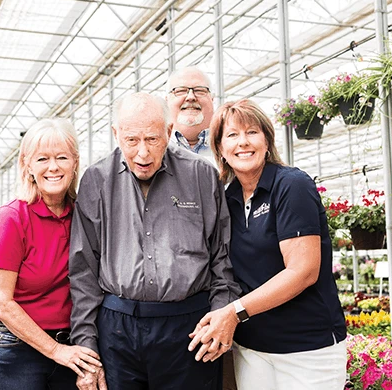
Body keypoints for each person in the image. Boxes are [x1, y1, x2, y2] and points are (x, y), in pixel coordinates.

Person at [69, 92, 241, 390]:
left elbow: (222, 258)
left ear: (168, 130)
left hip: (189, 328)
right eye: (132, 140)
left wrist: (221, 316)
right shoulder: (96, 180)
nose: (143, 154)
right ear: (116, 134)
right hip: (117, 330)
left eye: (152, 139)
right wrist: (86, 344)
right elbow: (83, 270)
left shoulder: (201, 176)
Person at [190, 99, 347, 389]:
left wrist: (233, 312)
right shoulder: (228, 198)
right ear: (220, 149)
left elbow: (303, 271)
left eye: (252, 132)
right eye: (232, 135)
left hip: (307, 349)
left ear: (266, 140)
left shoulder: (291, 185)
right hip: (253, 350)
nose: (243, 142)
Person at [0, 118, 103, 390]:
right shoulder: (11, 219)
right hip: (18, 349)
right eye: (42, 159)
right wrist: (55, 350)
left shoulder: (84, 215)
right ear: (27, 165)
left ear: (75, 163)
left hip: (72, 345)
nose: (53, 167)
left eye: (62, 157)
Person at [166, 66, 216, 163]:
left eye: (200, 90)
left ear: (212, 99)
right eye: (180, 91)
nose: (190, 97)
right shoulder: (153, 149)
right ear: (167, 101)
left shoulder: (231, 146)